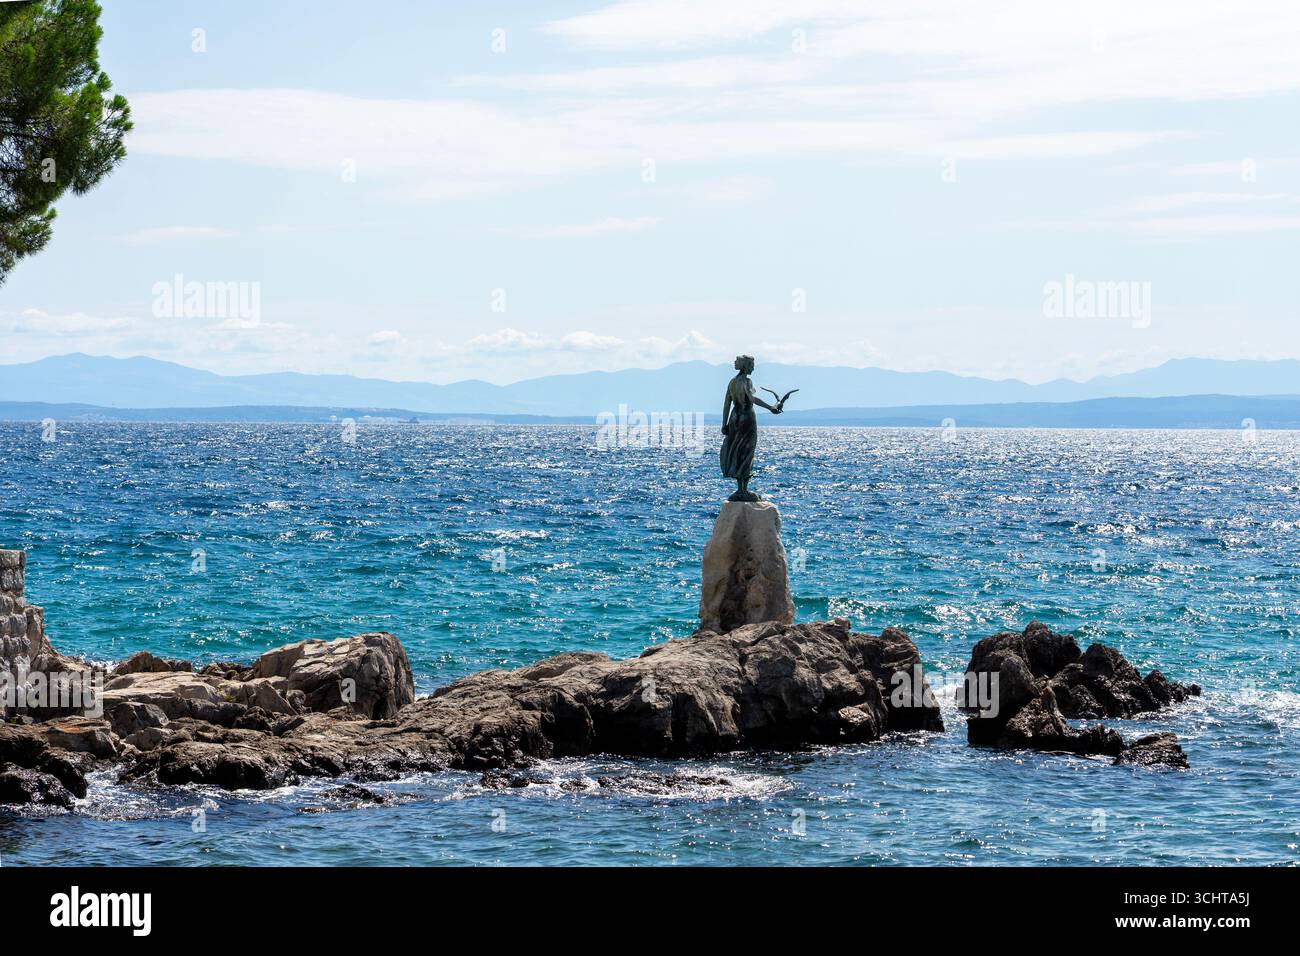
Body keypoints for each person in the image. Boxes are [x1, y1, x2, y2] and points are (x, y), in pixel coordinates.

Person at [719, 355, 784, 501]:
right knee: (747, 451)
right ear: (746, 366)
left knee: (737, 450)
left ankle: (740, 489)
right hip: (747, 418)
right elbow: (752, 399)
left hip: (734, 418)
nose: (753, 368)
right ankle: (744, 490)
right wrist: (770, 407)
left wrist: (724, 424)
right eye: (752, 365)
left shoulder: (732, 382)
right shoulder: (747, 382)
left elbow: (726, 404)